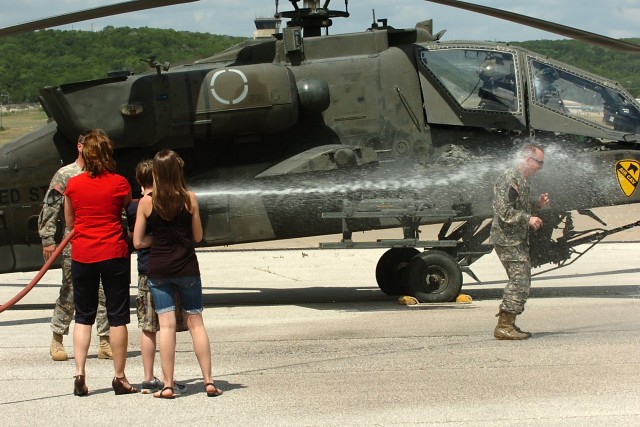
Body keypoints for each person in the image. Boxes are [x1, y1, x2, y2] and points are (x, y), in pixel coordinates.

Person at [133, 149, 223, 399]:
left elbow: (138, 241)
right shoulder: (189, 198)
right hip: (187, 268)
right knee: (196, 322)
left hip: (159, 270)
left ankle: (168, 384)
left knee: (166, 325)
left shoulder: (147, 203)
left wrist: (159, 239)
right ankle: (208, 381)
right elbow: (197, 237)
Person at [64, 129, 136, 396]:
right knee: (117, 318)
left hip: (83, 254)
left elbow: (70, 223)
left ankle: (80, 373)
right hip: (113, 252)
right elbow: (128, 209)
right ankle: (119, 377)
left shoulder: (73, 185)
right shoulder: (119, 183)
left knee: (83, 316)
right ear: (107, 153)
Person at [38, 130, 112, 362]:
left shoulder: (103, 173)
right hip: (74, 241)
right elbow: (50, 207)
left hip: (100, 240)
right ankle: (57, 337)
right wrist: (48, 239)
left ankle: (105, 340)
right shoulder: (65, 174)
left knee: (103, 291)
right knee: (70, 290)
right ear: (80, 147)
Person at [126, 159, 188, 394]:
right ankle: (166, 376)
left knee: (148, 326)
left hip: (145, 269)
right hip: (169, 268)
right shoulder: (169, 202)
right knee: (167, 325)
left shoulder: (135, 207)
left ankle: (148, 376)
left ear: (139, 181)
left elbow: (134, 237)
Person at [491, 143, 550, 340]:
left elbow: (519, 208)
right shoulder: (510, 179)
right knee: (519, 281)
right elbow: (504, 212)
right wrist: (528, 218)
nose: (540, 167)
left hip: (517, 239)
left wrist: (537, 205)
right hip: (507, 240)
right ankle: (503, 326)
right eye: (539, 163)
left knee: (522, 281)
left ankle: (509, 324)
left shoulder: (523, 181)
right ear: (527, 158)